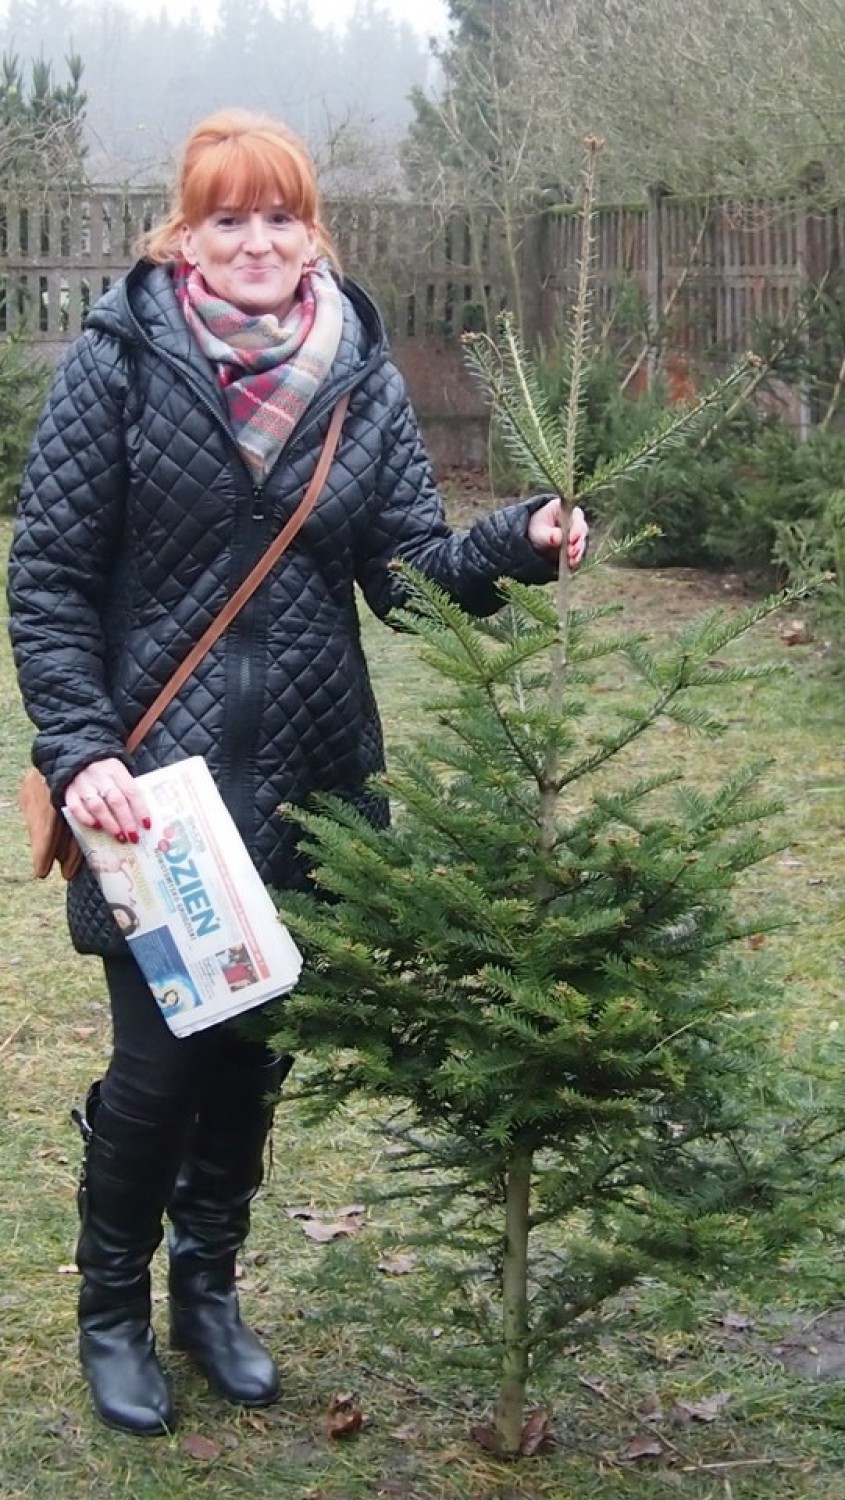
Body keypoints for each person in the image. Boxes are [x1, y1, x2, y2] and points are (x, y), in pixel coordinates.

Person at [7, 109, 588, 1438]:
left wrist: (512, 538)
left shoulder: (355, 376)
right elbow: (45, 580)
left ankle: (207, 1291)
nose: (255, 241)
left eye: (278, 216)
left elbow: (403, 576)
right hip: (152, 791)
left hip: (313, 779)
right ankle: (112, 1308)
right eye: (227, 217)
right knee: (159, 1065)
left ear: (311, 231)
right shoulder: (119, 362)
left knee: (255, 1055)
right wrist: (81, 747)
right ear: (184, 233)